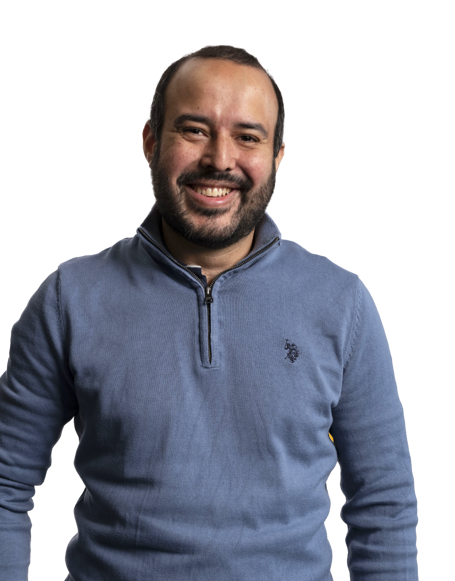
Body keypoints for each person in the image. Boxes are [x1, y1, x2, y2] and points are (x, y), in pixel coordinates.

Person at [0, 43, 419, 580]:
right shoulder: (69, 299)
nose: (220, 159)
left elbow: (384, 504)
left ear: (278, 155)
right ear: (150, 141)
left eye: (248, 137)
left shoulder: (343, 302)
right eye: (194, 130)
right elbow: (5, 485)